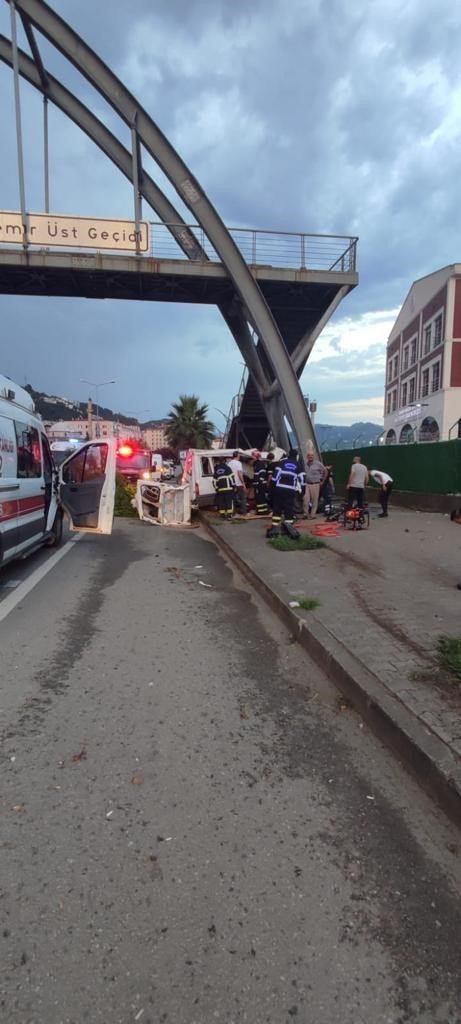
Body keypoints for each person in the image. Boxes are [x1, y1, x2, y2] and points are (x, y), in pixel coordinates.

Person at [266, 449, 303, 539]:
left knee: (277, 508)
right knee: (289, 509)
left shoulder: (282, 463)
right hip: (290, 490)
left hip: (279, 489)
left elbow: (275, 477)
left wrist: (272, 489)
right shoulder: (298, 465)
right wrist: (303, 491)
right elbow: (302, 479)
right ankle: (288, 528)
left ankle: (274, 528)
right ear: (296, 456)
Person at [304, 451, 327, 518]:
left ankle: (312, 514)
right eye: (309, 455)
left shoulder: (318, 464)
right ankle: (305, 514)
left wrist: (322, 481)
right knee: (306, 499)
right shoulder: (305, 464)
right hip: (307, 484)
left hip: (315, 484)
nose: (310, 457)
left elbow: (325, 471)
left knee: (314, 500)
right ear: (307, 457)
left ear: (314, 456)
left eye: (312, 455)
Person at [228, 450, 247, 515]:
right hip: (238, 484)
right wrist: (243, 483)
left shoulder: (229, 463)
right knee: (243, 497)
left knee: (233, 498)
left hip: (232, 484)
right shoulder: (238, 463)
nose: (240, 457)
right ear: (237, 456)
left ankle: (234, 512)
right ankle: (243, 512)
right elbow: (240, 474)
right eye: (239, 455)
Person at [252, 450, 269, 516]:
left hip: (260, 484)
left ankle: (262, 511)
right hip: (258, 483)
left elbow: (262, 473)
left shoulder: (260, 464)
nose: (252, 458)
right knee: (259, 498)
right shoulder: (257, 463)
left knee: (260, 498)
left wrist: (259, 482)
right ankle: (262, 511)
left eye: (253, 456)